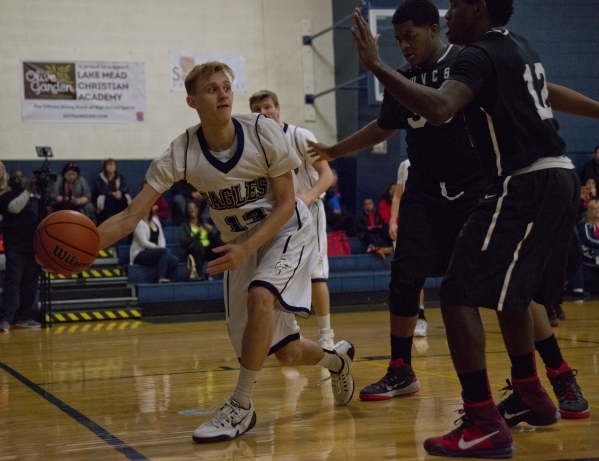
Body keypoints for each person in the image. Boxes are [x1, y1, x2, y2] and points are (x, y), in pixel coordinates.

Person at [346, 1, 597, 457]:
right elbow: (546, 92)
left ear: (479, 8)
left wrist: (376, 65)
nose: (449, 14)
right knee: (509, 295)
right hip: (555, 178)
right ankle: (532, 393)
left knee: (459, 295)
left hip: (522, 181)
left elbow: (441, 109)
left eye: (457, 5)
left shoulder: (473, 55)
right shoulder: (516, 46)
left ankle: (484, 420)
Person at [96, 61, 355, 444]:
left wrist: (245, 248)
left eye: (226, 87)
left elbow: (286, 203)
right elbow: (131, 215)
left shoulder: (263, 130)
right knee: (285, 352)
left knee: (260, 295)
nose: (223, 94)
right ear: (192, 101)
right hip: (242, 242)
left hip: (286, 227)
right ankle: (338, 361)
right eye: (212, 89)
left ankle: (241, 405)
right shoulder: (181, 152)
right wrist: (84, 250)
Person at [249, 89, 336, 348]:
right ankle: (291, 333)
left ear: (277, 109)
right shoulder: (256, 145)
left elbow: (327, 175)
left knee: (315, 274)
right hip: (280, 215)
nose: (263, 113)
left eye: (267, 107)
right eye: (257, 110)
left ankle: (326, 335)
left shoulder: (300, 135)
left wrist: (308, 197)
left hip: (309, 211)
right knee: (281, 272)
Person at [389, 158, 427, 337]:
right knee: (411, 273)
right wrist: (392, 221)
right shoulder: (404, 164)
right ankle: (420, 315)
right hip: (409, 224)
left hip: (433, 222)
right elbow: (397, 195)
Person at [0, 171, 41, 331]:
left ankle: (24, 317)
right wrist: (29, 190)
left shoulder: (35, 198)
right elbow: (14, 208)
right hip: (15, 247)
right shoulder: (6, 197)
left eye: (22, 176)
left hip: (32, 246)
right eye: (15, 177)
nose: (19, 179)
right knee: (13, 282)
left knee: (30, 283)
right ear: (10, 181)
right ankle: (5, 318)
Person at [130, 207, 179, 283]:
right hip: (140, 253)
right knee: (165, 251)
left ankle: (160, 278)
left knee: (174, 260)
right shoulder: (138, 223)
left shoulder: (155, 220)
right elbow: (143, 242)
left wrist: (161, 248)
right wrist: (157, 247)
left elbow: (161, 237)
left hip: (154, 252)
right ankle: (161, 277)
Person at [178, 200, 217, 280]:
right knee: (198, 245)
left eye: (194, 207)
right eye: (190, 208)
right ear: (187, 211)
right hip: (193, 251)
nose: (192, 210)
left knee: (219, 238)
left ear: (198, 209)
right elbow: (183, 242)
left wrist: (210, 232)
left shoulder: (203, 224)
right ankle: (199, 273)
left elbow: (210, 240)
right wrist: (197, 235)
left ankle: (223, 271)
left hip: (207, 250)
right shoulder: (184, 226)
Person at [93, 158, 132, 224]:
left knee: (124, 199)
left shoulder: (120, 177)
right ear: (105, 167)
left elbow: (125, 187)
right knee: (108, 201)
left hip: (119, 195)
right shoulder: (100, 178)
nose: (111, 167)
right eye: (108, 165)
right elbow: (100, 188)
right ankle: (110, 221)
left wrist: (120, 191)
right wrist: (111, 193)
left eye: (112, 165)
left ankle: (122, 220)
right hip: (107, 196)